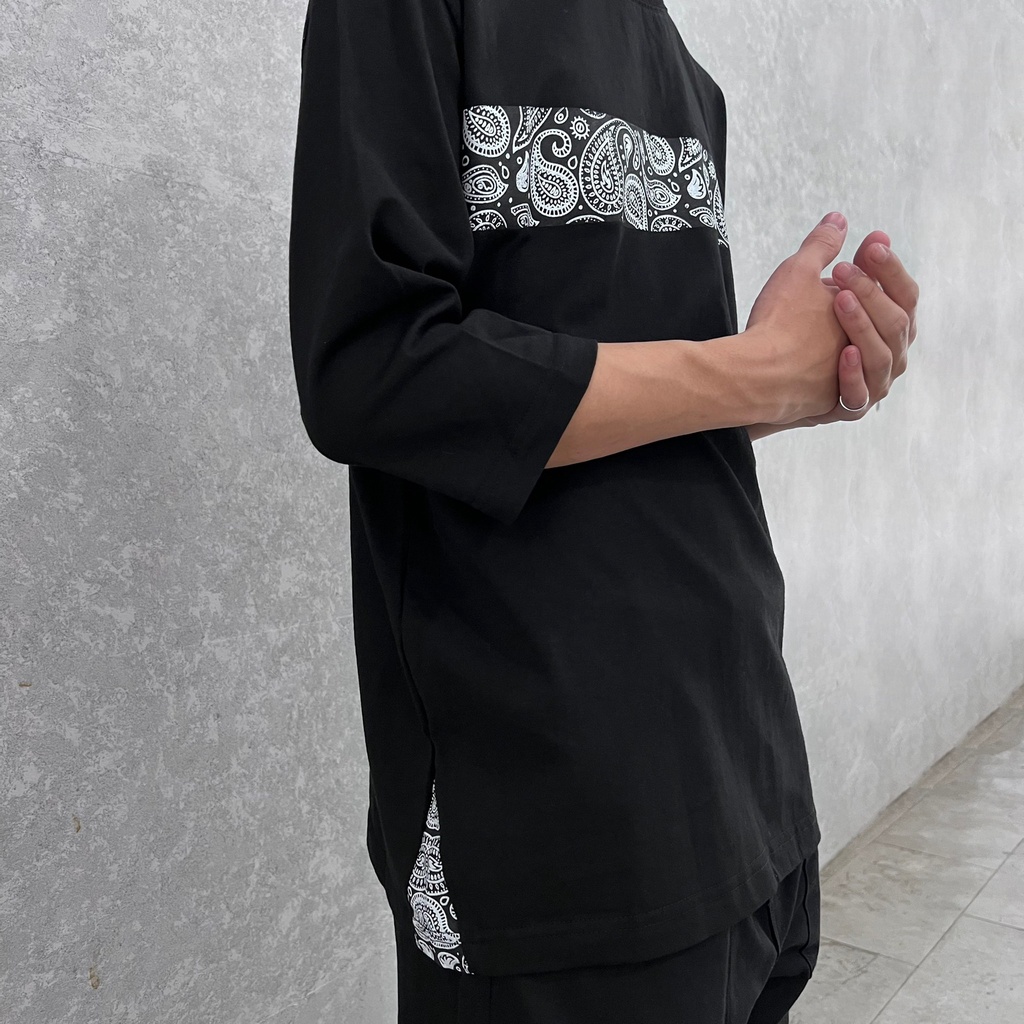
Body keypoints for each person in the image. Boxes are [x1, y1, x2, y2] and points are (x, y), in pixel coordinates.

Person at [287, 0, 920, 1021]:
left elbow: (628, 413)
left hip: (749, 785)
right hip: (551, 839)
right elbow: (372, 368)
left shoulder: (683, 70)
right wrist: (752, 371)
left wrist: (802, 378)